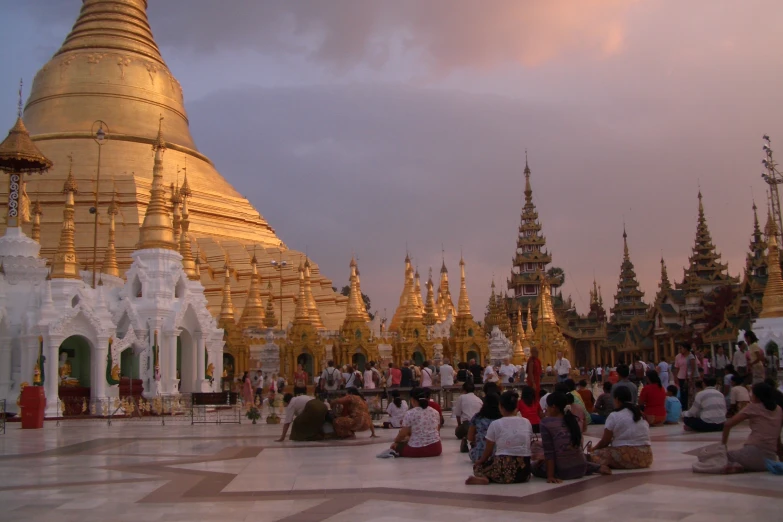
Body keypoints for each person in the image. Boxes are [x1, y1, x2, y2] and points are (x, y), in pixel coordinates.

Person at [466, 390, 533, 485]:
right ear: (516, 407)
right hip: (524, 473)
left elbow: (488, 451)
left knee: (478, 467)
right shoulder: (526, 422)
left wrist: (480, 461)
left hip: (504, 472)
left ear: (500, 407)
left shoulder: (496, 424)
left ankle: (485, 477)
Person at [715, 383, 783, 473]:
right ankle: (740, 466)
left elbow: (728, 424)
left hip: (753, 452)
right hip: (769, 460)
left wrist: (723, 446)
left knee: (718, 457)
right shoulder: (778, 409)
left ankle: (736, 466)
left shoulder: (753, 407)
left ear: (757, 396)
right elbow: (777, 438)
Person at [533, 392, 599, 482]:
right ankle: (596, 468)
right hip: (581, 468)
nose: (546, 409)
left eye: (547, 406)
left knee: (533, 466)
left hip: (563, 471)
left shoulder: (546, 423)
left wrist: (550, 476)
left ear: (553, 407)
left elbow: (550, 452)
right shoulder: (572, 419)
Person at [588, 386, 653, 474]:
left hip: (626, 456)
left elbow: (605, 442)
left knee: (594, 455)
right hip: (646, 457)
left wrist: (593, 449)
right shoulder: (639, 413)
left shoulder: (614, 415)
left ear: (617, 399)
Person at [392, 387, 442, 458]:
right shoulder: (435, 412)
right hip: (436, 448)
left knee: (398, 447)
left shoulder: (410, 413)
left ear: (412, 400)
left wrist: (396, 441)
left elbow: (403, 434)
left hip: (417, 450)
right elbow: (437, 430)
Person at [468, 392, 502, 463]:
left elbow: (470, 437)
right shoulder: (502, 418)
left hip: (479, 454)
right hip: (499, 455)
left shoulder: (477, 417)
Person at [675, 344, 697, 409]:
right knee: (683, 393)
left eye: (681, 348)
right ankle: (684, 408)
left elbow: (694, 367)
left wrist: (691, 377)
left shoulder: (691, 356)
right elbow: (677, 367)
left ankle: (691, 407)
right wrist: (676, 377)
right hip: (681, 377)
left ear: (686, 349)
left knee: (691, 393)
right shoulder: (678, 357)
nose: (680, 350)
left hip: (689, 377)